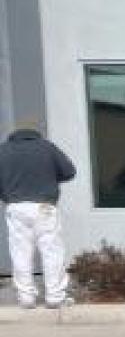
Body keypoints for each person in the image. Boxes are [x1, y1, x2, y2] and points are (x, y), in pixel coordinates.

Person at [0, 119, 77, 308]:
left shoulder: (3, 150)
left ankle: (26, 298)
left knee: (20, 252)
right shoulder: (47, 148)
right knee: (52, 251)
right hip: (44, 206)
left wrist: (6, 195)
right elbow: (69, 172)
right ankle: (55, 297)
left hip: (15, 207)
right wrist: (50, 176)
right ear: (36, 133)